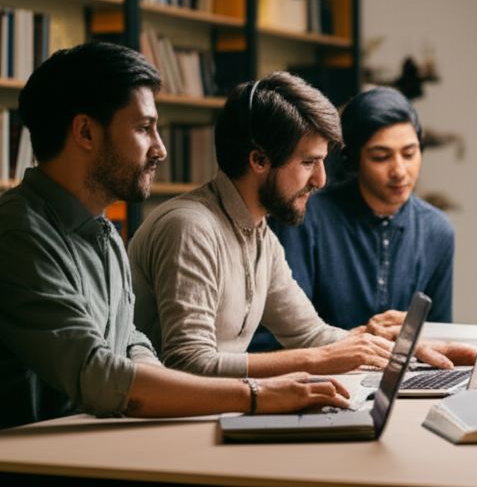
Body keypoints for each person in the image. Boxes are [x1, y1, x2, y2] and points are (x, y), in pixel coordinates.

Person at [0, 42, 348, 430]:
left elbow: (131, 344)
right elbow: (98, 375)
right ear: (85, 131)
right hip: (31, 459)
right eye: (144, 128)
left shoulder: (101, 231)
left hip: (91, 441)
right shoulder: (18, 233)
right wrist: (255, 395)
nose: (160, 149)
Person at [129, 72, 472, 379]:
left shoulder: (260, 234)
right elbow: (187, 362)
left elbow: (311, 335)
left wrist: (410, 351)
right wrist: (320, 359)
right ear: (259, 160)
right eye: (309, 162)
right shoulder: (192, 228)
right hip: (159, 430)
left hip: (209, 413)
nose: (321, 180)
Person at [252, 87, 454, 352]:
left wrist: (419, 334)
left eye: (409, 153)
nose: (399, 171)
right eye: (381, 156)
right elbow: (279, 334)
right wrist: (358, 340)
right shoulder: (306, 217)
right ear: (352, 159)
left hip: (402, 381)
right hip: (319, 378)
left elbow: (440, 332)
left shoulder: (438, 230)